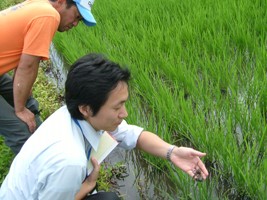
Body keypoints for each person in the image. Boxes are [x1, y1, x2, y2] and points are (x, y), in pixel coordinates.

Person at [0, 53, 209, 200]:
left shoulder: (70, 114)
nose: (125, 113)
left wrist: (172, 153)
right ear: (86, 108)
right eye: (118, 106)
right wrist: (88, 186)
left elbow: (131, 135)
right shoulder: (69, 161)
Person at [0, 0, 97, 154]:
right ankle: (34, 170)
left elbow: (23, 56)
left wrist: (23, 96)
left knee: (28, 102)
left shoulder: (38, 5)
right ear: (61, 2)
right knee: (20, 133)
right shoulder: (49, 15)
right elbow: (29, 65)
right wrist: (19, 109)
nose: (75, 24)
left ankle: (43, 146)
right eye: (77, 16)